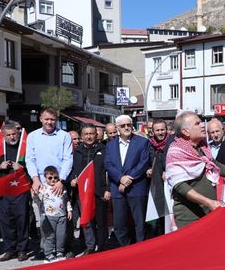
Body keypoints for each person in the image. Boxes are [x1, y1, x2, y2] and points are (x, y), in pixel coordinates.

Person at [166, 112, 225, 229]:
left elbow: (215, 165)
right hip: (190, 217)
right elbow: (180, 186)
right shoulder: (176, 152)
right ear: (186, 131)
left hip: (208, 211)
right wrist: (208, 202)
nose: (203, 126)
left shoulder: (202, 147)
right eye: (197, 124)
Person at [26, 107, 73, 260]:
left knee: (62, 219)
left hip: (59, 183)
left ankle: (62, 248)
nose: (49, 122)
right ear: (41, 119)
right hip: (40, 184)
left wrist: (61, 180)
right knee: (44, 219)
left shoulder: (64, 136)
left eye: (52, 119)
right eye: (46, 119)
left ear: (56, 120)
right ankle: (46, 249)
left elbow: (68, 159)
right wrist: (35, 179)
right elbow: (30, 159)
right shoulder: (32, 136)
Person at [104, 114, 151, 246]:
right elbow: (108, 164)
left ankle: (141, 249)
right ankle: (125, 249)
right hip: (117, 189)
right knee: (119, 224)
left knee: (139, 223)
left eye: (129, 125)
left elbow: (143, 163)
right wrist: (120, 178)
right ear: (117, 128)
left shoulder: (143, 142)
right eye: (123, 125)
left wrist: (128, 179)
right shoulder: (110, 145)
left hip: (137, 188)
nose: (126, 127)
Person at [0, 122, 31, 262]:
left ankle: (22, 250)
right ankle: (10, 250)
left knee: (22, 220)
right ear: (4, 136)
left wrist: (22, 167)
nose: (12, 137)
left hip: (20, 189)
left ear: (18, 134)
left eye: (14, 134)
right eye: (8, 135)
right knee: (5, 221)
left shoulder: (25, 148)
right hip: (4, 189)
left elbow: (33, 165)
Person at [70, 125, 109, 255]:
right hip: (83, 192)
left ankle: (102, 247)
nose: (89, 136)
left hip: (99, 191)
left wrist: (108, 189)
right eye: (86, 134)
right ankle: (90, 246)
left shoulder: (104, 149)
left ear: (96, 135)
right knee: (87, 221)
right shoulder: (76, 151)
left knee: (101, 221)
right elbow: (72, 170)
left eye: (91, 133)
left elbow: (109, 171)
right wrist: (72, 179)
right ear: (81, 136)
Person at [37, 166, 72, 263]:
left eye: (55, 178)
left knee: (61, 235)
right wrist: (36, 194)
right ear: (45, 178)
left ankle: (59, 252)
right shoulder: (43, 188)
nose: (53, 180)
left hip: (61, 215)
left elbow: (66, 200)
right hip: (49, 216)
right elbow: (38, 199)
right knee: (50, 236)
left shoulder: (62, 187)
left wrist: (69, 210)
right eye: (50, 178)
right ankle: (48, 254)